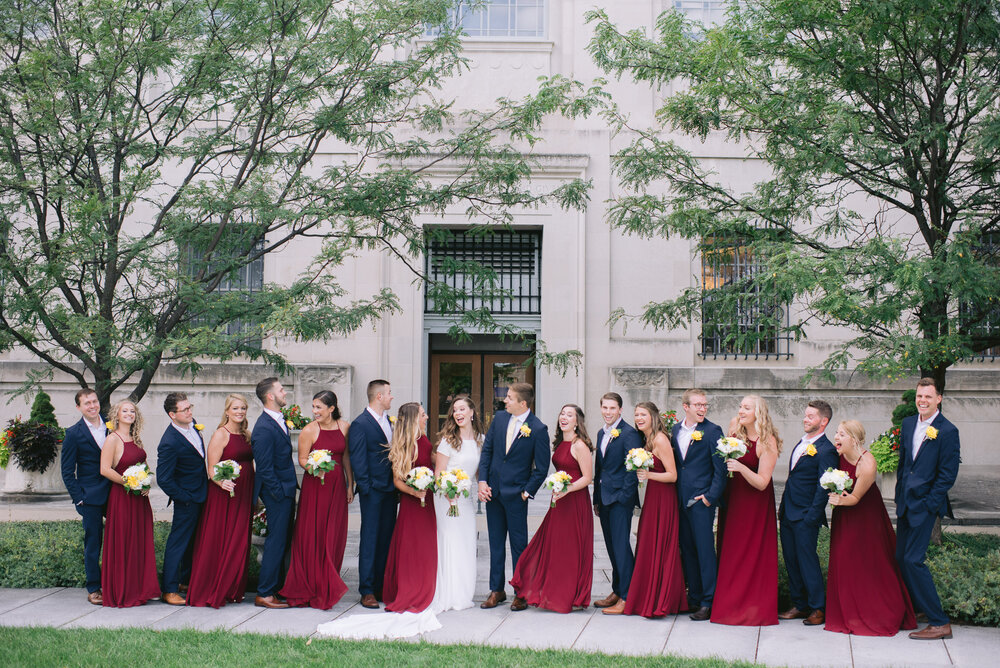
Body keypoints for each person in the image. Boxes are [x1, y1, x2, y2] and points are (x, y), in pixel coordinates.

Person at [826, 420, 916, 636]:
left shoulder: (867, 463)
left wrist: (837, 500)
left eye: (841, 435)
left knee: (870, 561)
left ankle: (881, 611)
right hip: (844, 515)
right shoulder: (836, 458)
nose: (836, 438)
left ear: (854, 439)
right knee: (843, 558)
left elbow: (855, 498)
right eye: (836, 434)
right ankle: (846, 611)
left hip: (866, 517)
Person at [509, 404, 594, 613]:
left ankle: (567, 596)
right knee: (551, 547)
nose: (564, 417)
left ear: (577, 422)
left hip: (574, 503)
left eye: (570, 415)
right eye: (562, 413)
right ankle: (546, 590)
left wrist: (568, 489)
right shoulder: (558, 443)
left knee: (570, 550)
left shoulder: (579, 445)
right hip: (558, 502)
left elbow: (588, 477)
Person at [896, 378, 960, 640]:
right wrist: (900, 494)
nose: (922, 400)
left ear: (939, 399)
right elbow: (904, 463)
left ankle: (940, 621)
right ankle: (919, 608)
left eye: (928, 396)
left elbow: (947, 475)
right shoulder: (909, 423)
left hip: (925, 505)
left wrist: (929, 504)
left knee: (913, 560)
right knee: (901, 559)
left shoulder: (947, 431)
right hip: (905, 504)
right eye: (919, 396)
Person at [478, 382, 551, 610]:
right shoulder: (499, 419)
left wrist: (527, 491)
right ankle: (496, 590)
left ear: (523, 403)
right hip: (493, 493)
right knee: (495, 543)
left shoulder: (538, 429)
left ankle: (521, 592)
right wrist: (482, 481)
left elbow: (542, 467)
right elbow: (488, 450)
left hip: (516, 495)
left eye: (509, 398)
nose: (505, 401)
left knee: (519, 545)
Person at [711, 394, 780, 626]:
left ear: (757, 413)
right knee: (731, 551)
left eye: (746, 408)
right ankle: (728, 605)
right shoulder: (734, 426)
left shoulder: (767, 441)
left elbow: (762, 482)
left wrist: (740, 467)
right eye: (740, 406)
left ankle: (752, 607)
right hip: (733, 500)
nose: (741, 411)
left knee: (750, 553)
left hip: (754, 505)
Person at [280, 391, 352, 609]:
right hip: (315, 488)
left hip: (337, 487)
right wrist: (314, 468)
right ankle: (310, 583)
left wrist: (351, 484)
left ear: (332, 408)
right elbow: (302, 458)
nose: (315, 411)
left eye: (319, 407)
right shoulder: (310, 430)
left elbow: (346, 456)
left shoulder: (345, 427)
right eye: (313, 407)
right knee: (313, 533)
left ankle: (328, 581)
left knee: (333, 534)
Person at [186, 393, 256, 608]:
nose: (240, 412)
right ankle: (214, 587)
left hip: (244, 492)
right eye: (235, 408)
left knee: (239, 540)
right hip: (224, 494)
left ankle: (233, 588)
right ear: (227, 411)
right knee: (221, 539)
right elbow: (211, 468)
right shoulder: (220, 434)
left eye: (243, 408)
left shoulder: (247, 434)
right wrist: (221, 482)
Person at [778, 400, 839, 626]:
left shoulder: (827, 450)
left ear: (823, 421)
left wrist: (812, 517)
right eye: (805, 415)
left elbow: (823, 486)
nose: (805, 419)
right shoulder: (802, 443)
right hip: (788, 513)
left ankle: (817, 607)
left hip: (805, 516)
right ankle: (799, 604)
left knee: (807, 561)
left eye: (811, 416)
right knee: (791, 561)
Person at [624, 401, 687, 618]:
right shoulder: (648, 439)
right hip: (653, 495)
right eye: (636, 415)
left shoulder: (660, 439)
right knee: (649, 542)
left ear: (652, 416)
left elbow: (672, 475)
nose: (639, 418)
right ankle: (648, 594)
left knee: (660, 543)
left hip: (664, 498)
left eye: (643, 414)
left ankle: (661, 599)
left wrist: (648, 475)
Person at [671, 388, 726, 621]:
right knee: (688, 550)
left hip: (701, 502)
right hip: (680, 500)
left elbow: (721, 469)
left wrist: (710, 497)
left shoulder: (713, 431)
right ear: (686, 407)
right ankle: (693, 597)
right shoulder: (675, 430)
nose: (702, 409)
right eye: (698, 405)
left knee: (704, 551)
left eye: (704, 405)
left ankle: (708, 601)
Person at [99, 400, 160, 607]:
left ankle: (141, 588)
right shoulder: (112, 440)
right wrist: (129, 482)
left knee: (139, 541)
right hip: (122, 498)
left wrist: (145, 483)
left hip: (139, 500)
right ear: (117, 415)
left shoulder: (136, 439)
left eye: (132, 411)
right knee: (124, 541)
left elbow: (144, 465)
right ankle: (123, 591)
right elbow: (105, 469)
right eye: (125, 411)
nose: (129, 414)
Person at [382, 402, 438, 613]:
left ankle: (426, 582)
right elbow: (397, 481)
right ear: (414, 418)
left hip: (428, 502)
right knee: (411, 546)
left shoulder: (424, 440)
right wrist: (415, 492)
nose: (427, 417)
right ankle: (410, 587)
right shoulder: (405, 444)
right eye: (423, 414)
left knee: (426, 545)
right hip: (412, 503)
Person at [430, 395, 484, 613]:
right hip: (446, 499)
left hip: (466, 500)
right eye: (455, 410)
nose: (458, 414)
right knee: (449, 542)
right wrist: (447, 494)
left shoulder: (481, 439)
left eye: (462, 409)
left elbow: (480, 471)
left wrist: (483, 485)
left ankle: (463, 593)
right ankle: (448, 593)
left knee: (466, 542)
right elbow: (438, 473)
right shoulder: (448, 440)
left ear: (472, 412)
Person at [349, 379, 397, 609]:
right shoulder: (361, 423)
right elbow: (358, 460)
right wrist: (367, 489)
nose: (391, 397)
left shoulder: (389, 421)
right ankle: (367, 590)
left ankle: (380, 587)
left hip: (390, 491)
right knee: (370, 539)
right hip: (373, 492)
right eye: (389, 393)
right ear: (379, 396)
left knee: (386, 539)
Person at [591, 392, 641, 615]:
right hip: (604, 498)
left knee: (621, 547)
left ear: (620, 410)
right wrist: (596, 498)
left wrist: (623, 496)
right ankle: (617, 589)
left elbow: (632, 468)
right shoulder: (602, 432)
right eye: (605, 408)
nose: (608, 412)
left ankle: (628, 597)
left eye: (613, 408)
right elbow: (599, 468)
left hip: (620, 499)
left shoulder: (629, 433)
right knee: (611, 547)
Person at [156, 392, 207, 605]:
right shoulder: (169, 442)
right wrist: (184, 497)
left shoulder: (193, 425)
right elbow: (163, 479)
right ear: (172, 414)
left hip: (202, 495)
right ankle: (169, 589)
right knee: (178, 543)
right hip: (187, 500)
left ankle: (186, 581)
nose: (190, 412)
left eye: (190, 407)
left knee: (193, 543)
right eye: (184, 409)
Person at [60, 389, 110, 605]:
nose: (92, 406)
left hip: (115, 491)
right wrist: (78, 498)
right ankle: (94, 587)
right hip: (89, 497)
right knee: (93, 543)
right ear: (79, 407)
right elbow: (67, 471)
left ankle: (116, 583)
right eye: (87, 403)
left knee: (118, 539)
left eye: (94, 401)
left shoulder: (113, 425)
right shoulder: (73, 433)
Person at [250, 377, 297, 609]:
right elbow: (265, 467)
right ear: (270, 396)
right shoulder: (263, 428)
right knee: (275, 543)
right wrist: (279, 493)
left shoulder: (279, 420)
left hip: (286, 491)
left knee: (283, 542)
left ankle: (276, 589)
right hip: (277, 494)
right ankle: (265, 593)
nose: (284, 393)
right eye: (281, 390)